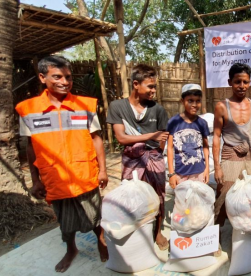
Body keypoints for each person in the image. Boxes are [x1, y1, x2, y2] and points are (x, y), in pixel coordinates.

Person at [15, 56, 108, 272]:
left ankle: (102, 242)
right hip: (54, 177)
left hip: (84, 173)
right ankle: (71, 249)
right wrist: (35, 179)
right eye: (57, 76)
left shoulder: (84, 105)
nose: (64, 82)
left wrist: (103, 170)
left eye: (68, 77)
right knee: (65, 221)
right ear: (42, 77)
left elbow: (96, 138)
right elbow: (30, 146)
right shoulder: (28, 109)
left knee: (94, 215)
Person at [106, 64, 170, 250]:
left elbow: (163, 139)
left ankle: (157, 231)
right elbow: (121, 137)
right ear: (136, 84)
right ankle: (136, 230)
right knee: (131, 195)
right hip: (131, 159)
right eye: (150, 86)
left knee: (158, 194)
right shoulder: (118, 107)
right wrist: (151, 136)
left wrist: (155, 152)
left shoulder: (157, 109)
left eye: (154, 86)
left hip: (154, 158)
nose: (153, 91)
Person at [212, 63, 251, 229]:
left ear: (249, 82)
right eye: (237, 82)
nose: (242, 86)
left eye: (245, 82)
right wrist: (217, 166)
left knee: (246, 195)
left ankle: (242, 231)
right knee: (224, 195)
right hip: (229, 156)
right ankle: (215, 235)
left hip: (248, 157)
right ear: (230, 82)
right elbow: (216, 137)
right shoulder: (222, 106)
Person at [167, 84, 210, 188]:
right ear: (182, 101)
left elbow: (205, 146)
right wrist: (171, 174)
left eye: (198, 101)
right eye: (190, 101)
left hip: (199, 172)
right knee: (183, 202)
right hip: (180, 173)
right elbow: (169, 147)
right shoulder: (173, 122)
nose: (194, 104)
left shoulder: (202, 123)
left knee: (199, 202)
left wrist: (207, 169)